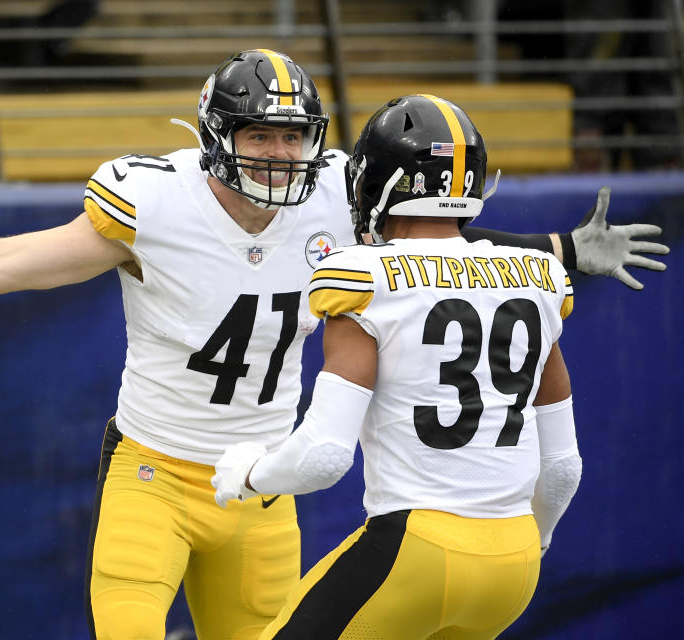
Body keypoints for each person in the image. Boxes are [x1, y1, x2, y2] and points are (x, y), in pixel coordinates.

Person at [0, 50, 667, 640]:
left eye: (294, 136)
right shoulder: (153, 199)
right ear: (217, 136)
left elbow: (441, 253)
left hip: (265, 486)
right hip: (153, 472)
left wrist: (554, 253)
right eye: (260, 135)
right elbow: (4, 263)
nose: (279, 155)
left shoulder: (342, 190)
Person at [212, 94, 583, 639]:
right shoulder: (538, 276)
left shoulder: (363, 276)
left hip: (417, 548)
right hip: (515, 564)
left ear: (378, 184)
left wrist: (250, 474)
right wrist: (536, 538)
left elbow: (324, 455)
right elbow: (563, 468)